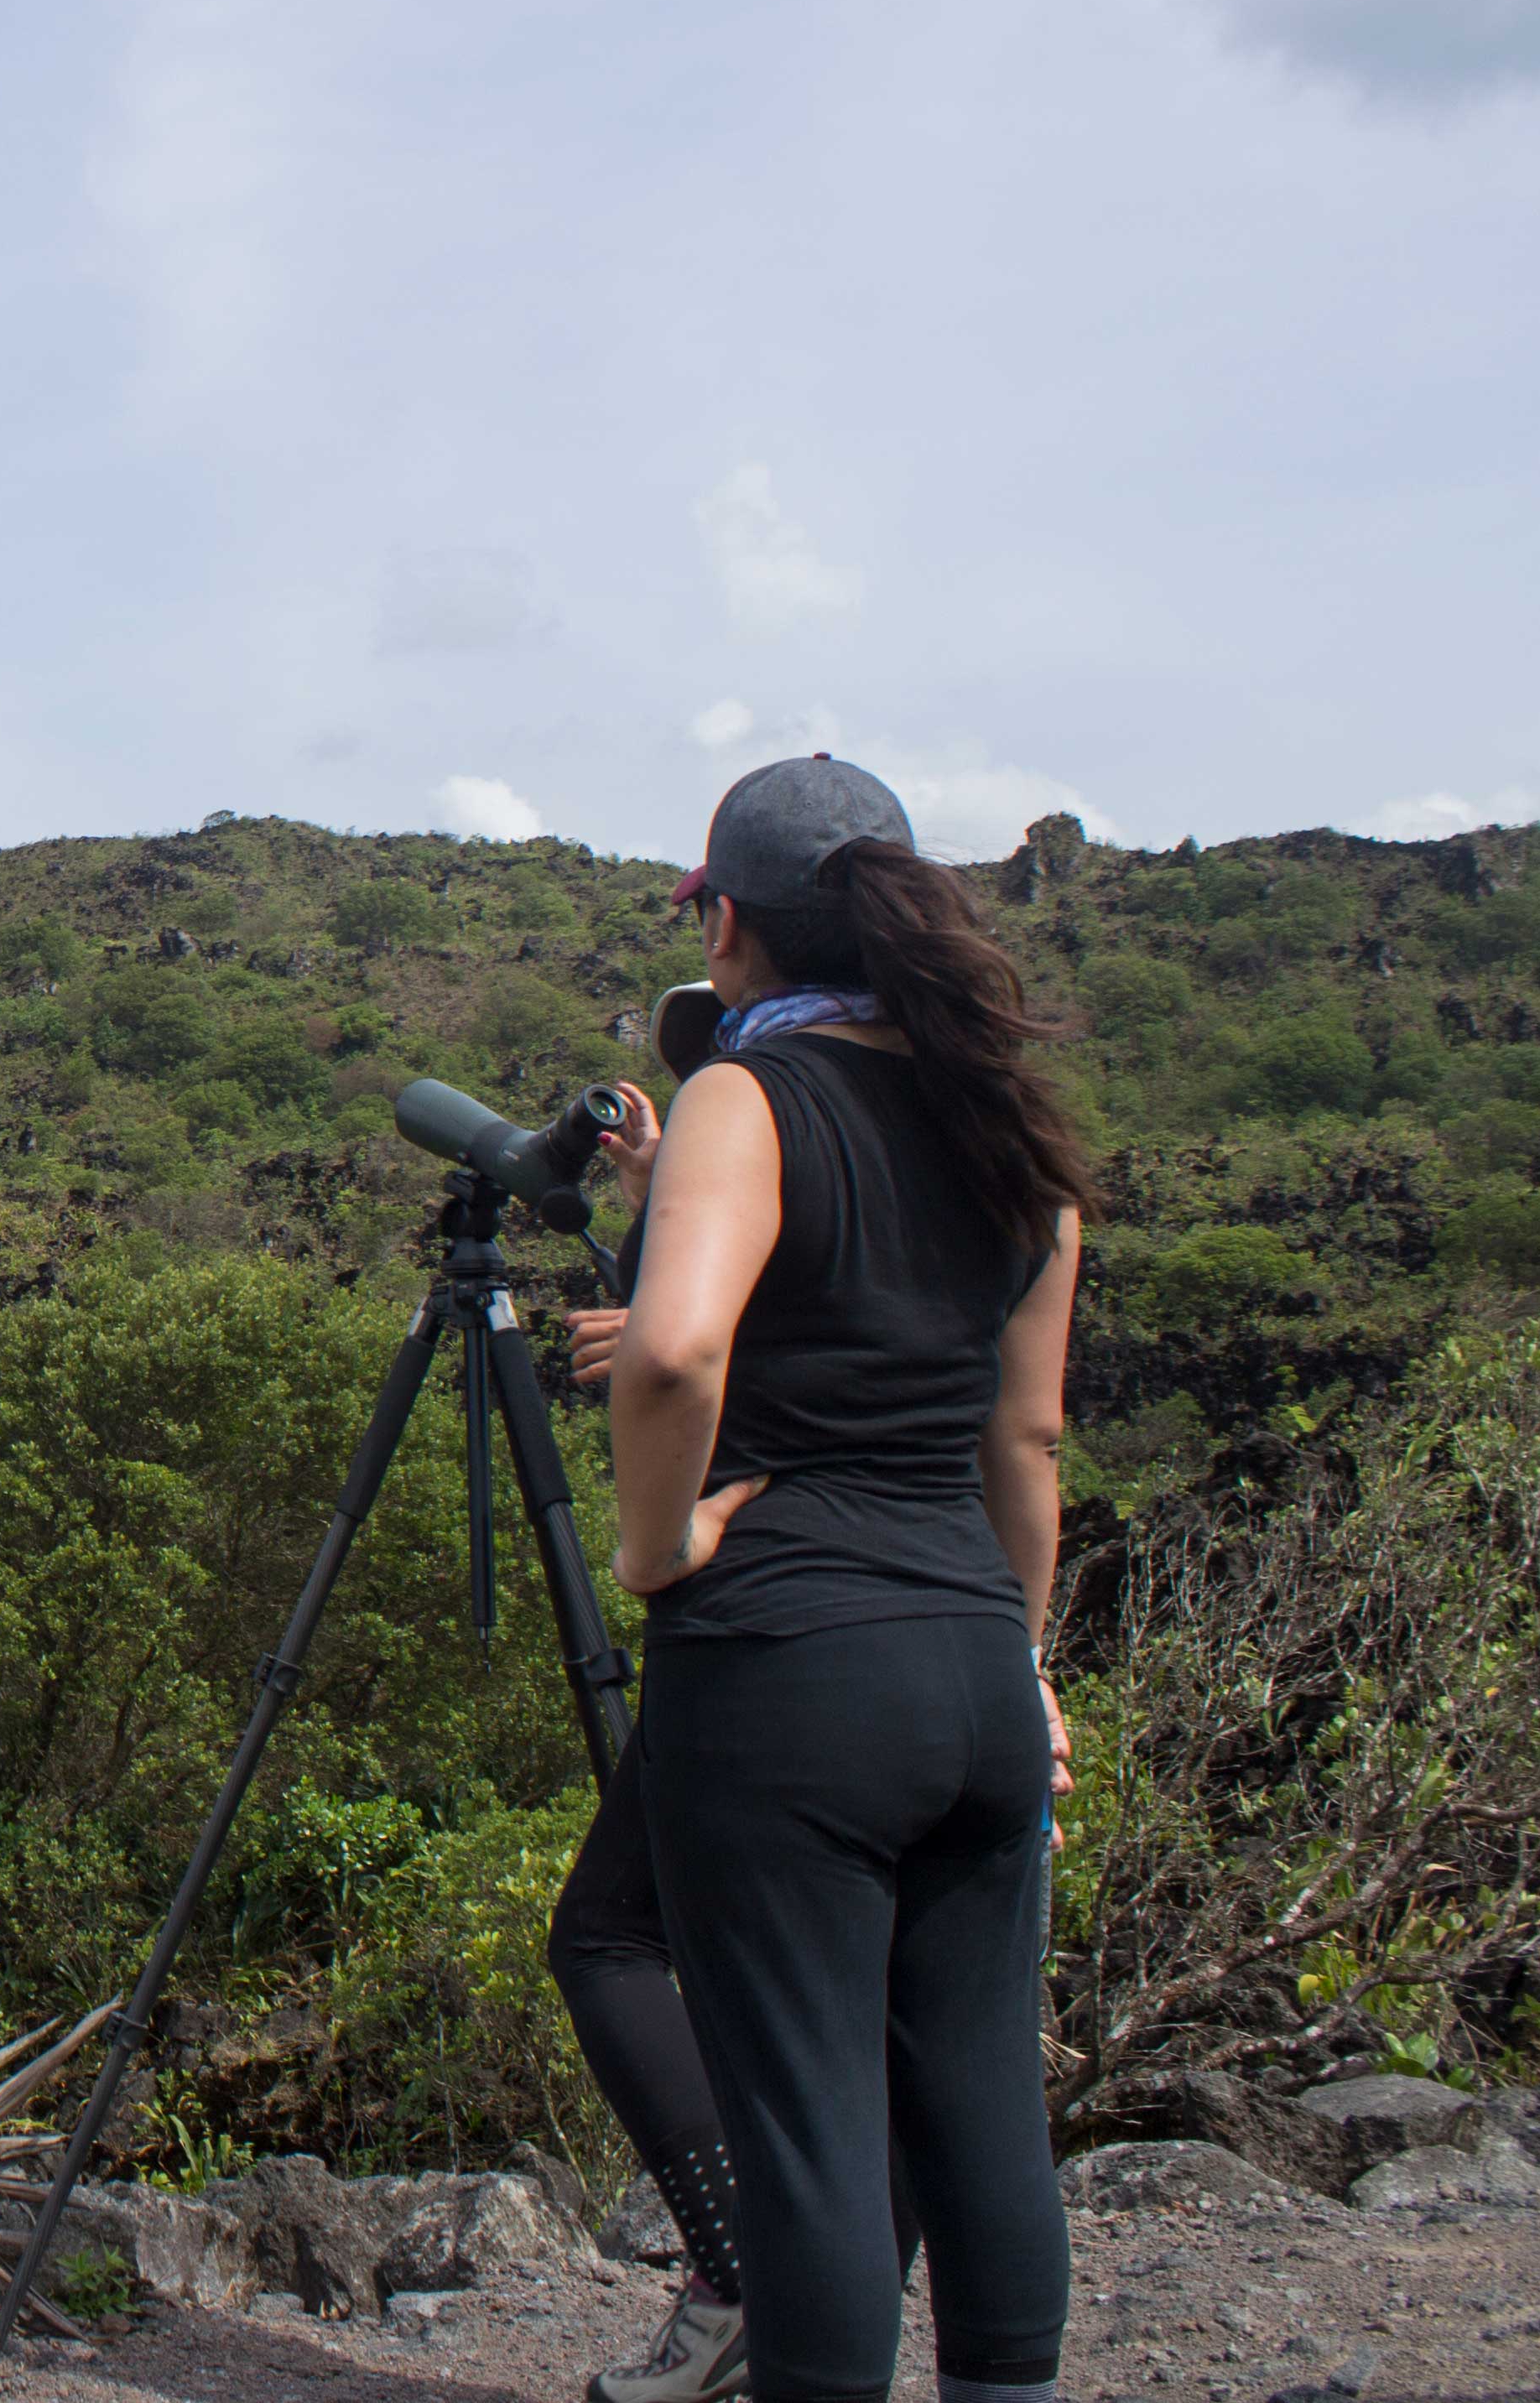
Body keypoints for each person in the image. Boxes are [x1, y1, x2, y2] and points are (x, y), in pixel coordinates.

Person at [596, 754, 1090, 2403]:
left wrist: (654, 1550)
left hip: (791, 1662)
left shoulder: (749, 1097)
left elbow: (673, 1351)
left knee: (810, 2127)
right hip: (971, 1666)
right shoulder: (1010, 1131)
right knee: (979, 2107)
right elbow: (1027, 1446)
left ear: (727, 925)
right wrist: (1020, 1669)